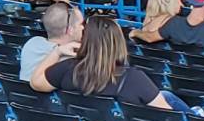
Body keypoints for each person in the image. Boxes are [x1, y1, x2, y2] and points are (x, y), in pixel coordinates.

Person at [29, 13, 171, 109]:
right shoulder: (135, 79)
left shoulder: (67, 68)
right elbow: (169, 118)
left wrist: (57, 52)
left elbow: (36, 82)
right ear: (118, 42)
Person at [18, 1, 82, 80]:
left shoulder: (31, 43)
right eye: (81, 24)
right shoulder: (70, 59)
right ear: (70, 30)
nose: (83, 28)